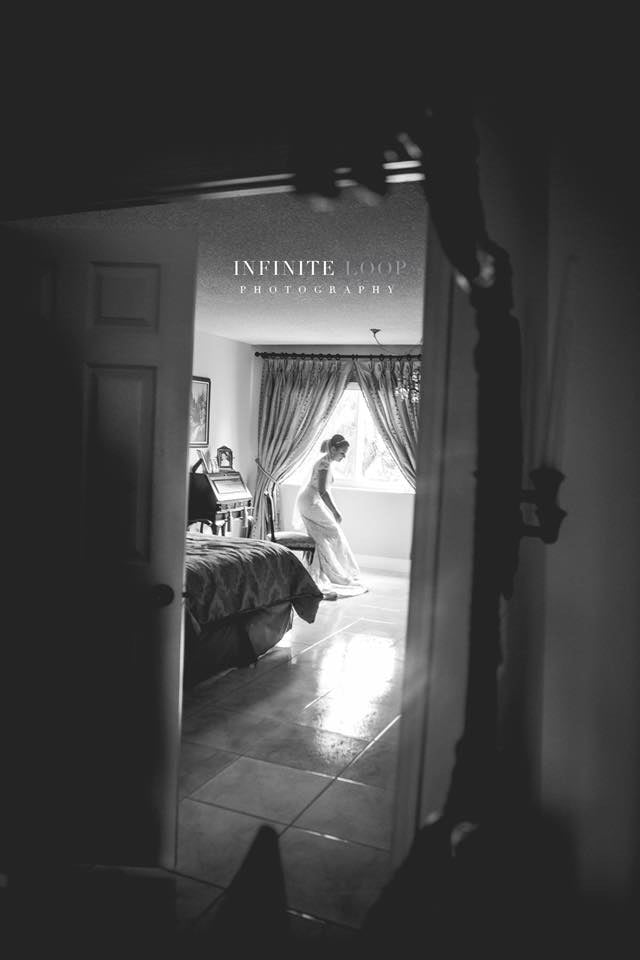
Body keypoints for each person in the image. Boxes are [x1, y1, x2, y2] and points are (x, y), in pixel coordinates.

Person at [294, 434, 365, 596]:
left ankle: (324, 572)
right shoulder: (324, 464)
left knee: (321, 537)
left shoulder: (327, 462)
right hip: (310, 502)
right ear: (333, 449)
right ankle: (338, 573)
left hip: (311, 501)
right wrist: (335, 511)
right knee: (334, 531)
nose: (344, 456)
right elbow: (323, 491)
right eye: (342, 452)